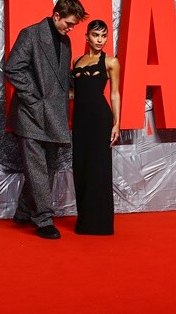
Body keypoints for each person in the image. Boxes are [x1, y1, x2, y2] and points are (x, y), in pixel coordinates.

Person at [4, 0, 87, 239]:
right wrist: (33, 98)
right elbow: (12, 68)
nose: (71, 29)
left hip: (54, 114)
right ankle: (44, 219)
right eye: (69, 23)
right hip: (30, 114)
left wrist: (78, 82)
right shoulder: (30, 34)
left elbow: (61, 75)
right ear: (57, 15)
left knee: (47, 168)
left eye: (74, 25)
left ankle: (23, 212)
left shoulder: (65, 41)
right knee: (38, 169)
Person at [71, 19, 120, 235]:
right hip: (80, 120)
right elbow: (75, 94)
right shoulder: (76, 61)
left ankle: (101, 224)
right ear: (87, 37)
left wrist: (117, 123)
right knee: (81, 167)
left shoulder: (111, 62)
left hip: (100, 120)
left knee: (99, 168)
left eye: (104, 36)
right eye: (96, 35)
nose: (100, 40)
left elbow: (115, 94)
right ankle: (85, 221)